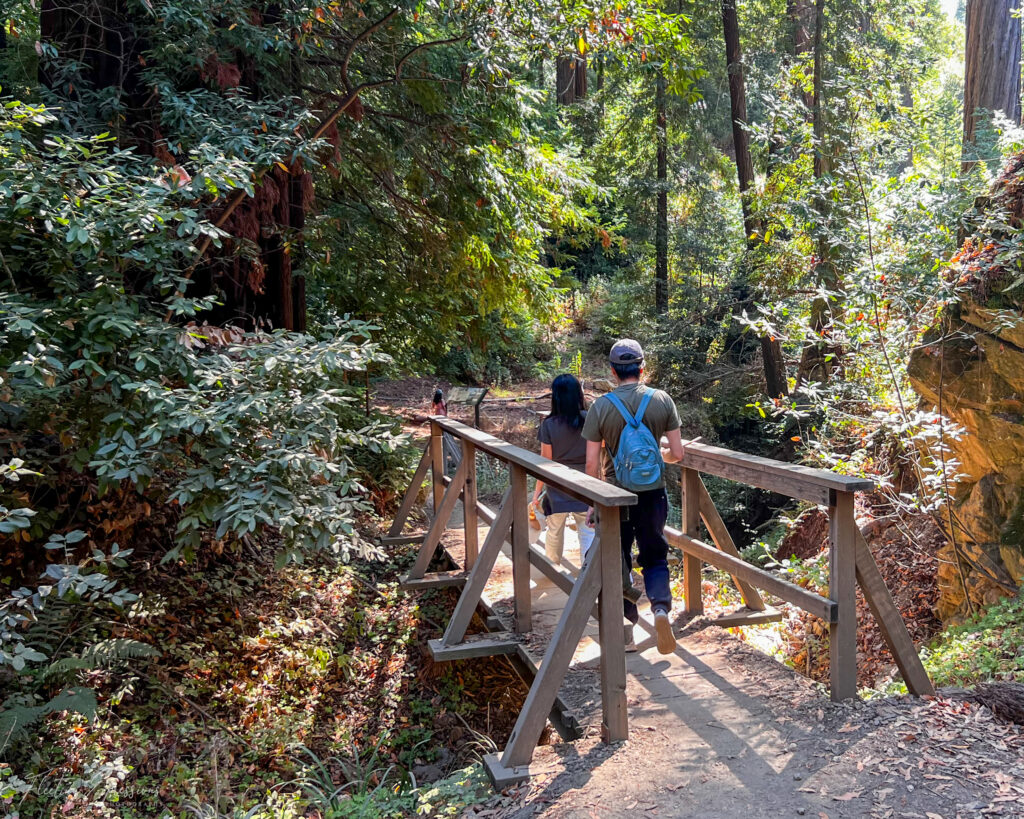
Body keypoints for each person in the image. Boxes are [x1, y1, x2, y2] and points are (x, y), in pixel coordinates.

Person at [582, 339, 685, 655]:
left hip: (615, 497)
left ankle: (626, 626)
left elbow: (590, 464)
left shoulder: (600, 407)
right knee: (654, 556)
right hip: (653, 495)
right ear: (642, 367)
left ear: (613, 371)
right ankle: (661, 611)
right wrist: (660, 453)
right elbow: (677, 454)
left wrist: (591, 503)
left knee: (617, 558)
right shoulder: (662, 400)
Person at [532, 374, 596, 564]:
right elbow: (598, 455)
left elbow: (545, 463)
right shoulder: (589, 420)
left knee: (554, 531)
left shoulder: (549, 425)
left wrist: (537, 492)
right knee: (588, 532)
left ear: (556, 397)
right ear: (579, 395)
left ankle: (553, 569)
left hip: (557, 487)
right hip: (585, 487)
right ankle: (588, 571)